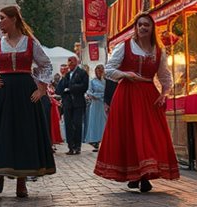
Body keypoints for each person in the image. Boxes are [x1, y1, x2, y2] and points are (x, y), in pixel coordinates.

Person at [0, 5, 55, 199]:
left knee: (24, 133)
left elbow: (46, 64)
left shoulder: (30, 42)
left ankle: (21, 182)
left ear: (14, 19)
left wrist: (42, 88)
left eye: (2, 18)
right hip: (4, 91)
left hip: (26, 91)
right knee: (2, 132)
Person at [94, 12, 179, 191]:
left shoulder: (158, 50)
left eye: (146, 25)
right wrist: (125, 74)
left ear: (152, 28)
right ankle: (137, 176)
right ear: (136, 27)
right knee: (130, 134)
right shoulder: (124, 46)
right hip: (127, 94)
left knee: (148, 135)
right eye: (139, 24)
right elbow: (109, 69)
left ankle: (142, 175)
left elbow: (164, 75)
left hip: (149, 95)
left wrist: (164, 93)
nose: (142, 27)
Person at [56, 55, 88, 154]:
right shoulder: (66, 74)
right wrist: (63, 77)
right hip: (67, 104)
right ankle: (70, 146)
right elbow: (59, 90)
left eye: (72, 61)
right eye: (68, 61)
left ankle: (77, 146)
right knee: (68, 125)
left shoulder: (82, 73)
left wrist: (71, 88)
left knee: (77, 124)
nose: (70, 63)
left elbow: (84, 87)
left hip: (78, 103)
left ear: (76, 62)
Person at [84, 64, 108, 151]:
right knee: (95, 121)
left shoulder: (105, 81)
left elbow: (107, 92)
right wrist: (94, 95)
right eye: (98, 70)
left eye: (101, 71)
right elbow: (89, 91)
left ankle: (103, 140)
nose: (99, 72)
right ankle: (95, 140)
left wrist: (99, 96)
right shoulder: (92, 81)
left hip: (103, 103)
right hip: (95, 104)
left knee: (103, 121)